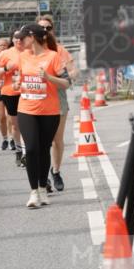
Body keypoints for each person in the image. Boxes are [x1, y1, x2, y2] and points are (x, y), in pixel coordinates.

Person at [16, 22, 69, 209]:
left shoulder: (53, 57)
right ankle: (33, 192)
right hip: (26, 108)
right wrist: (18, 84)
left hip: (49, 110)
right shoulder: (22, 57)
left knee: (44, 148)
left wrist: (49, 78)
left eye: (24, 37)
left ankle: (42, 187)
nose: (21, 41)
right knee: (30, 149)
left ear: (33, 37)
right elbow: (21, 78)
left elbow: (66, 83)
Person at [38, 15, 78, 191]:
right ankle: (43, 175)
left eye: (48, 28)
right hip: (37, 98)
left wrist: (64, 78)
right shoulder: (31, 51)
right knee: (40, 141)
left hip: (58, 96)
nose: (45, 31)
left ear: (52, 30)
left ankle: (56, 171)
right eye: (41, 28)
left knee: (56, 139)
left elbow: (73, 71)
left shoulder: (59, 50)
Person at [0, 29, 25, 162]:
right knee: (15, 124)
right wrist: (6, 68)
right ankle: (19, 151)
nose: (18, 40)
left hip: (28, 92)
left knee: (28, 124)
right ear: (12, 39)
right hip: (10, 92)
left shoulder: (30, 51)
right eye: (15, 38)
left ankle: (29, 150)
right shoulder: (5, 54)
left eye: (20, 37)